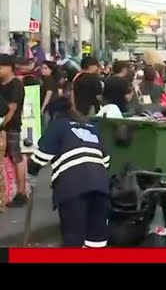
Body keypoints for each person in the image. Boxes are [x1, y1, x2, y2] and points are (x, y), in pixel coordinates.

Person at [28, 97, 110, 247]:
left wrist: (30, 174)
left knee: (73, 238)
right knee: (96, 238)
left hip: (72, 187)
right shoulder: (90, 127)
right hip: (100, 185)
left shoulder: (57, 126)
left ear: (54, 114)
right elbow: (106, 160)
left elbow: (41, 157)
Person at [0, 54, 27, 207]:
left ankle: (21, 192)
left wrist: (2, 125)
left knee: (16, 157)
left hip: (12, 127)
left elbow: (12, 109)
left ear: (9, 67)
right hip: (4, 127)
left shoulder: (16, 85)